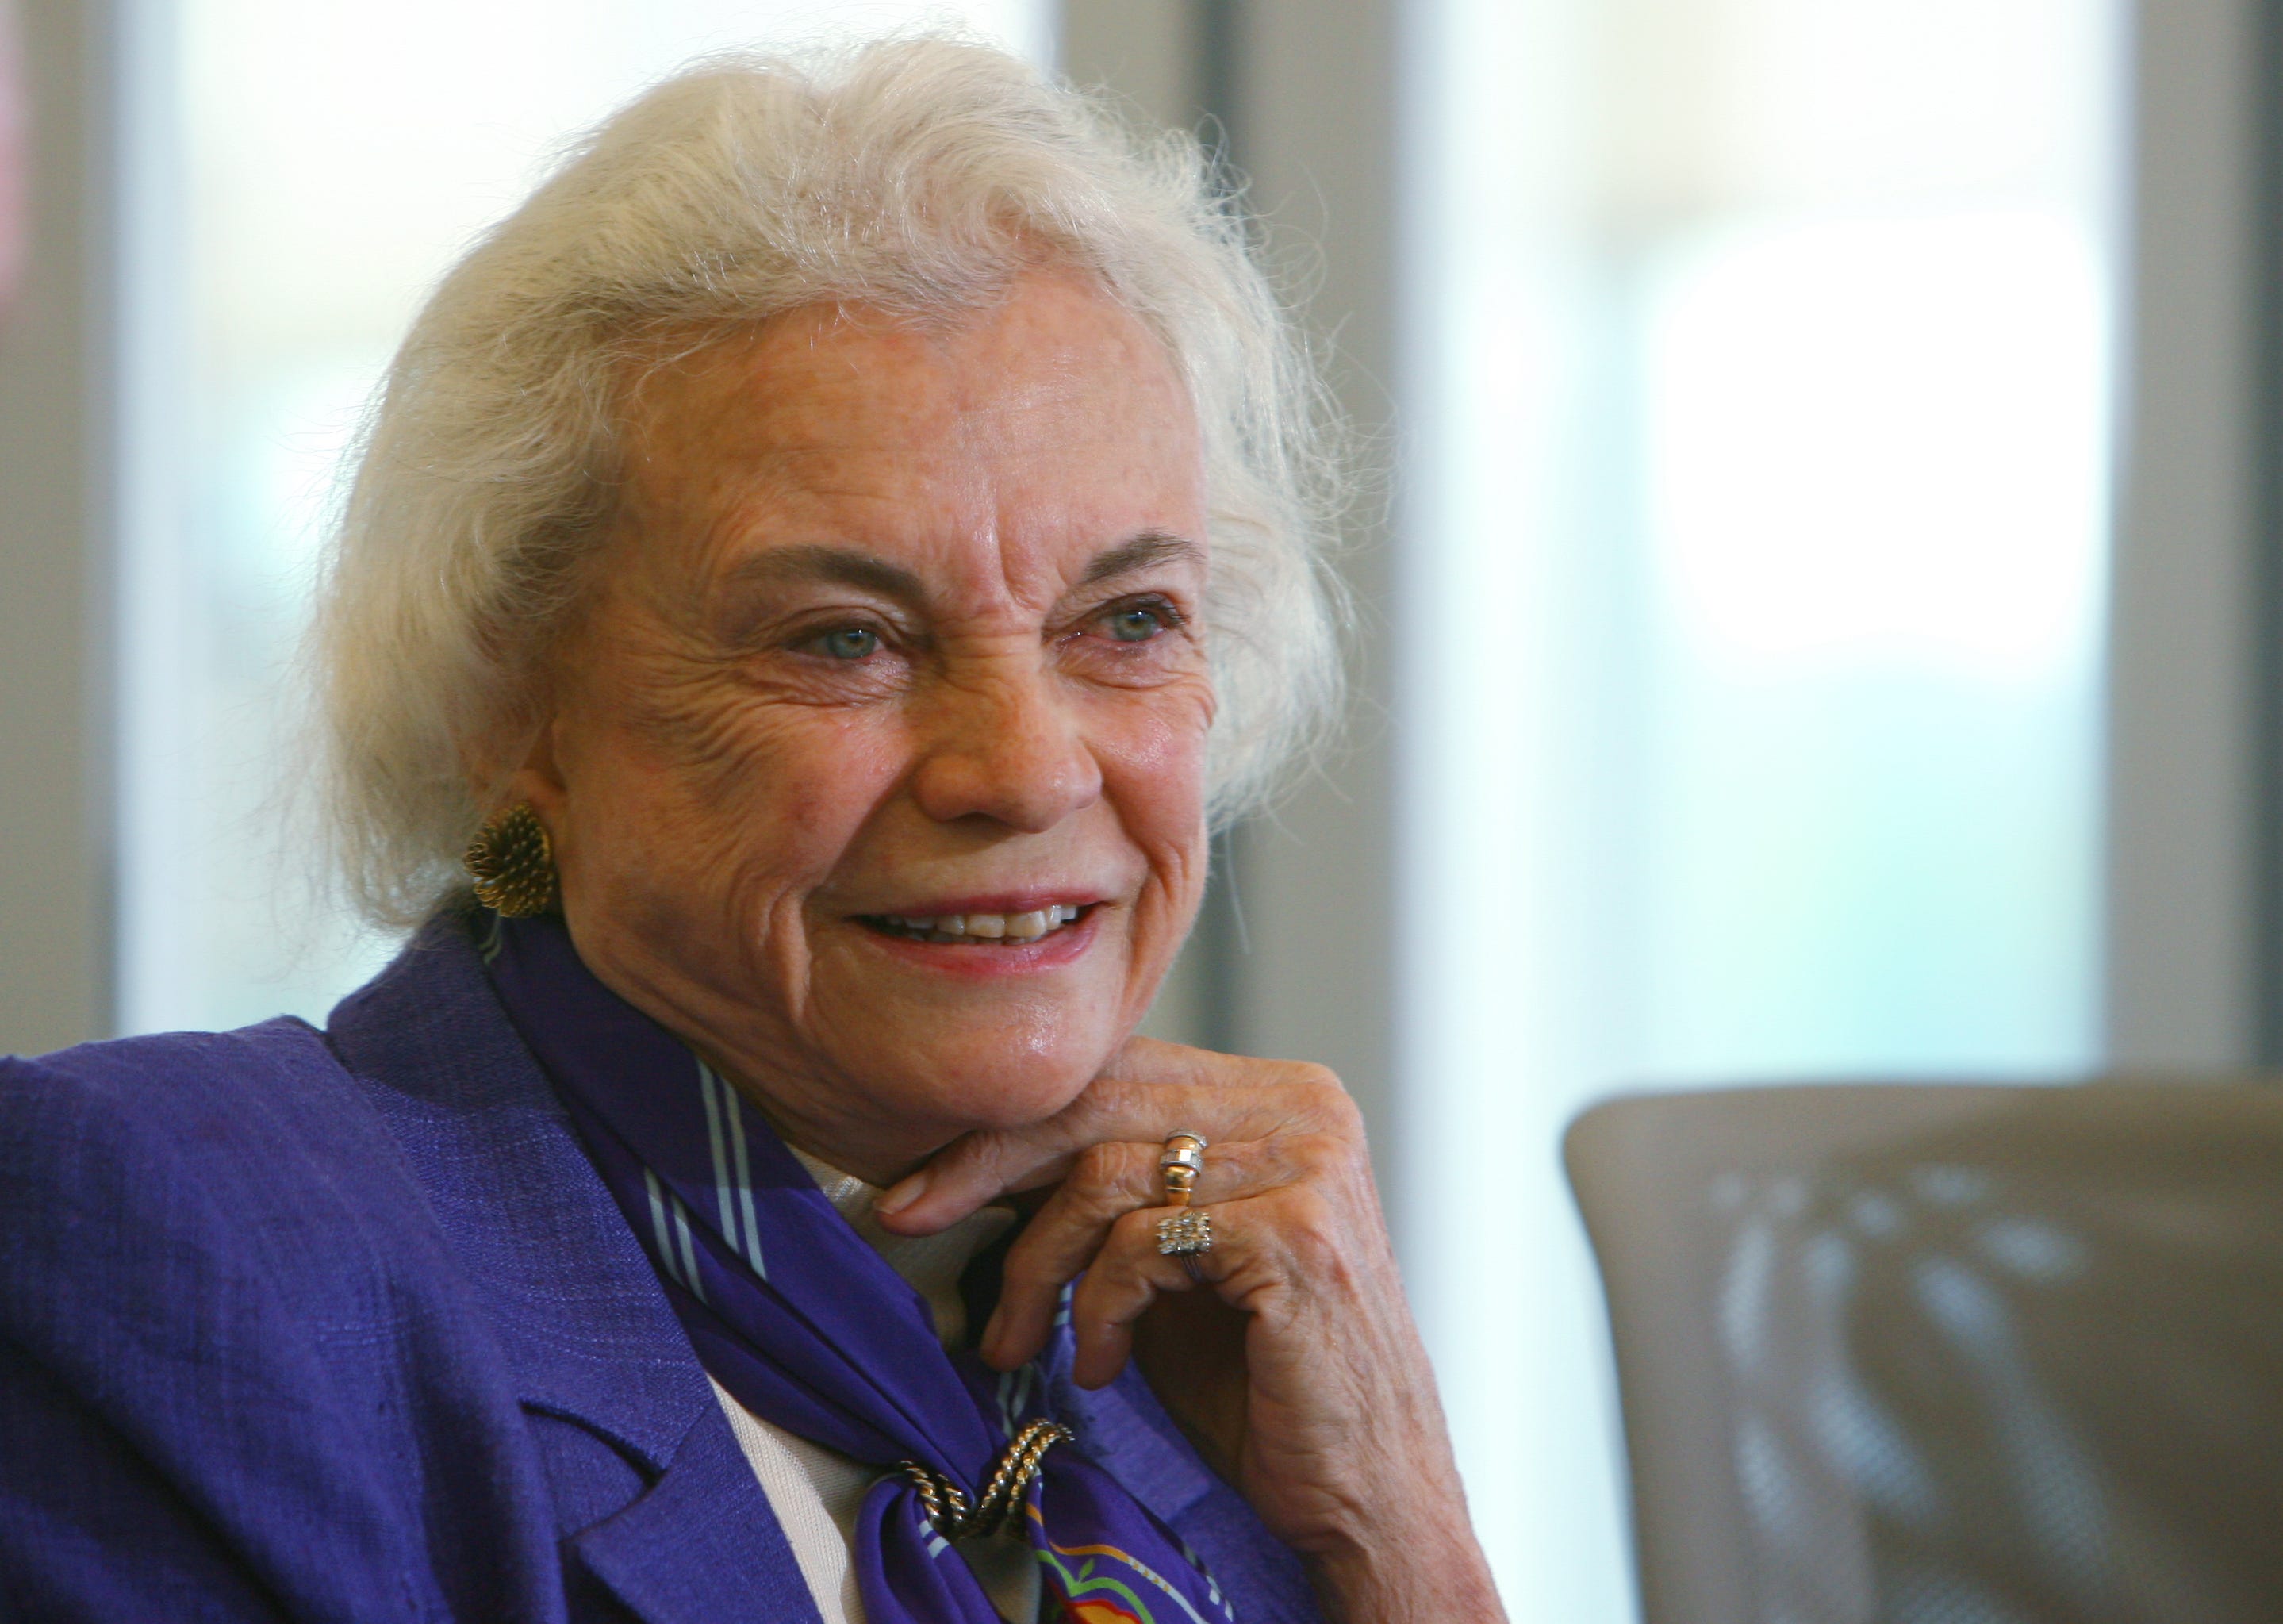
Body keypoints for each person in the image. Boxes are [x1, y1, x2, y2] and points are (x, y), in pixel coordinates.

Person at [0, 36, 1503, 1624]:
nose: (1020, 770)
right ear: (510, 711)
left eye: (1126, 619)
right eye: (844, 636)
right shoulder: (180, 1242)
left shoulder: (1184, 1320)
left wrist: (1401, 1534)